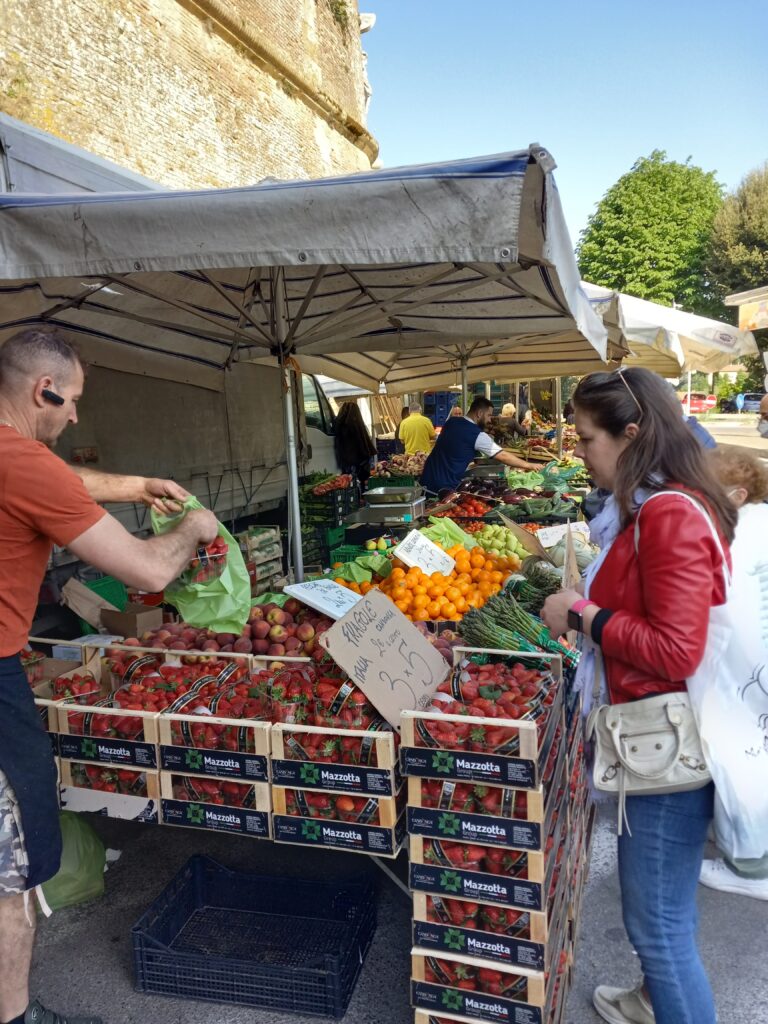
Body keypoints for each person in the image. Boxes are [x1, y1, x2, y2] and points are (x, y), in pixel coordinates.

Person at [0, 328, 218, 1024]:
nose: (76, 418)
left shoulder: (16, 458)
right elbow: (150, 572)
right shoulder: (27, 465)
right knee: (10, 876)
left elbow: (48, 475)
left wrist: (138, 485)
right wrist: (196, 528)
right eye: (73, 403)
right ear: (45, 390)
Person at [541, 366, 736, 1024]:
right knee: (661, 910)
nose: (579, 452)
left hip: (667, 751)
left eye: (586, 438)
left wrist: (583, 615)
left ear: (632, 434)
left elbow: (677, 649)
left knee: (658, 926)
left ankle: (669, 1000)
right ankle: (651, 1000)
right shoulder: (658, 503)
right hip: (655, 734)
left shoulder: (671, 513)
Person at [698, 448, 768, 900]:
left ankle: (749, 868)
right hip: (755, 666)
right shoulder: (759, 524)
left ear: (738, 495)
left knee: (741, 759)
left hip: (745, 670)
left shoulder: (737, 536)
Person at [421, 396, 538, 495]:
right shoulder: (476, 434)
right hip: (444, 486)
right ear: (479, 413)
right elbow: (503, 456)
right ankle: (407, 518)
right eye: (488, 415)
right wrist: (529, 465)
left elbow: (457, 444)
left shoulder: (451, 422)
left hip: (427, 479)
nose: (489, 420)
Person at [334, 401, 376, 486]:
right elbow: (364, 447)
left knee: (348, 483)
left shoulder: (338, 426)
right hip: (358, 464)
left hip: (345, 463)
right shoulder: (358, 426)